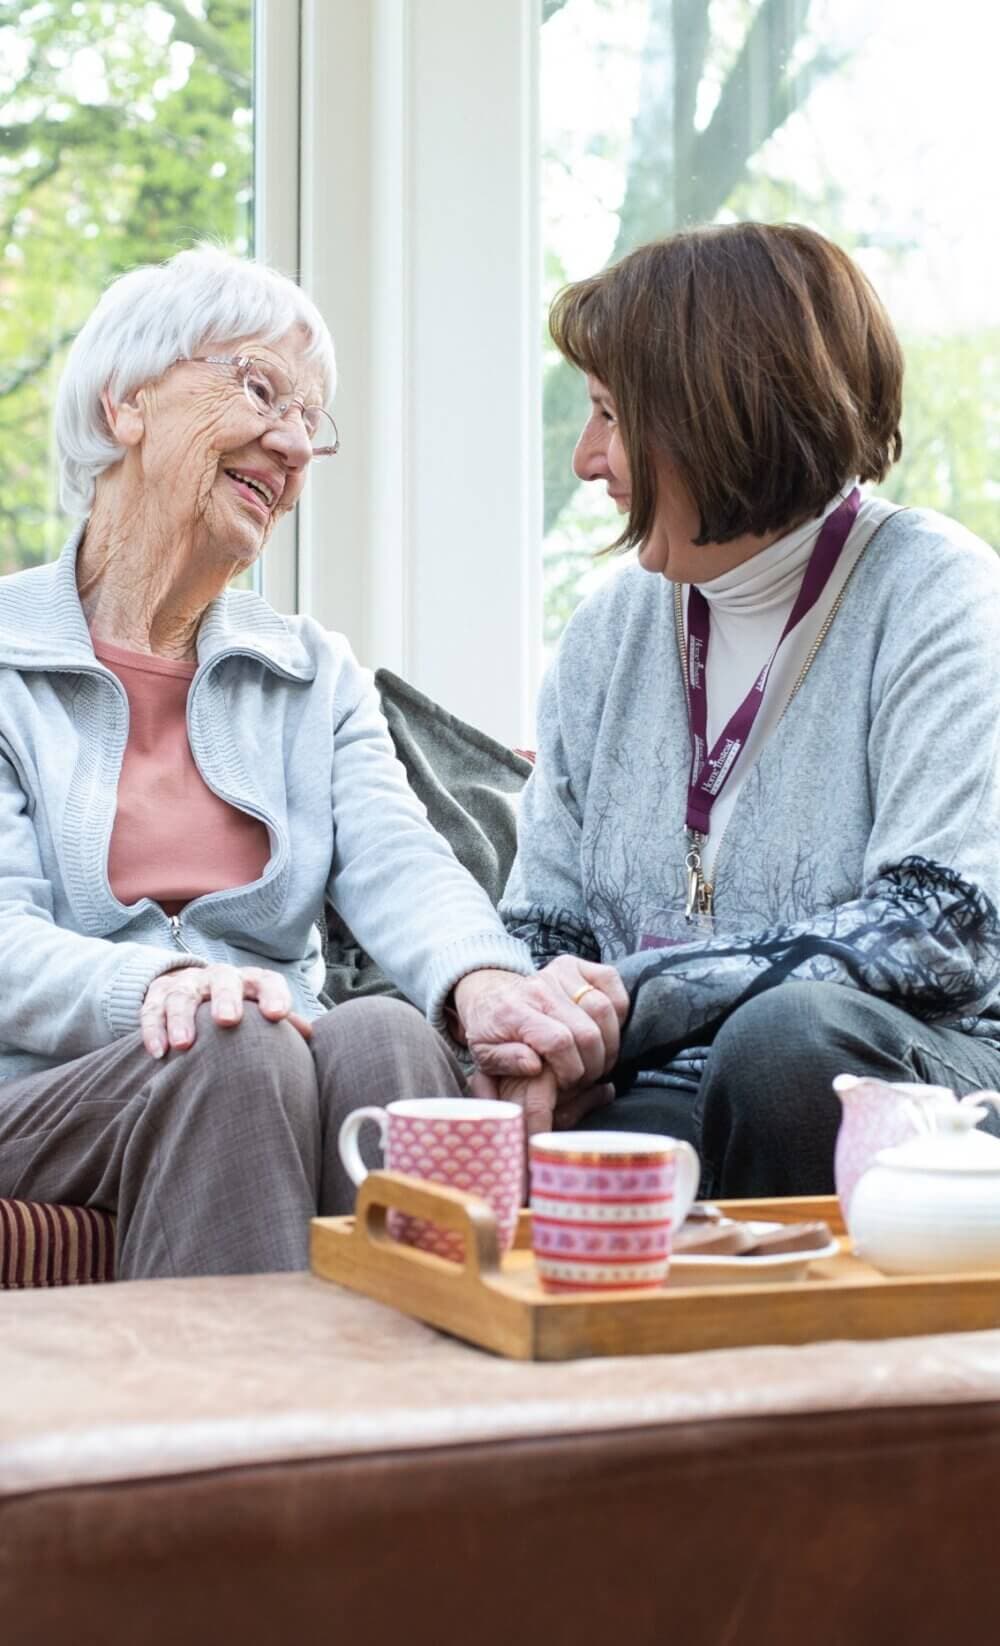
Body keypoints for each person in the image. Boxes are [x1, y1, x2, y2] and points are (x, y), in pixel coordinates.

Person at [0, 247, 627, 1278]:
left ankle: (434, 1428)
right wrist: (165, 984)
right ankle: (242, 1432)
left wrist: (487, 985)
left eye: (311, 419)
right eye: (260, 389)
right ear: (126, 402)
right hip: (47, 1084)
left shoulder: (309, 672)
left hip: (253, 1055)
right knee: (229, 1042)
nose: (294, 443)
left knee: (383, 1032)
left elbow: (399, 861)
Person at [500, 221, 1000, 1196]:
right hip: (652, 1090)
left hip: (909, 1082)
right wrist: (538, 1027)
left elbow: (935, 932)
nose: (586, 458)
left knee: (786, 1040)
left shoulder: (936, 592)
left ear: (713, 417)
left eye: (609, 414)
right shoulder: (608, 631)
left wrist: (627, 998)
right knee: (425, 1056)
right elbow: (541, 928)